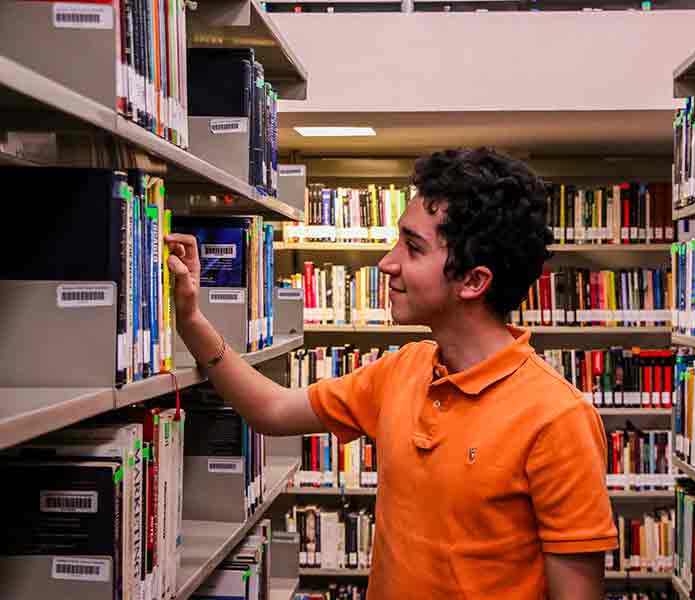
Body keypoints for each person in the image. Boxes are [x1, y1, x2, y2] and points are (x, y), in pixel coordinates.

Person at [166, 147, 618, 599]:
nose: (387, 263)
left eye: (413, 247)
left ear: (473, 282)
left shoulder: (557, 419)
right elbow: (272, 410)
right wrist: (192, 321)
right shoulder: (403, 370)